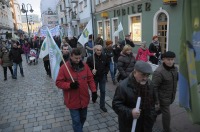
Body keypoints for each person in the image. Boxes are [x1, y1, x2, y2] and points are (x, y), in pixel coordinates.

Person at [56, 48, 97, 132]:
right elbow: (58, 83)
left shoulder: (85, 66)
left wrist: (94, 91)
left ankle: (78, 129)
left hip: (84, 99)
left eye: (80, 58)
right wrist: (69, 85)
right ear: (71, 56)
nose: (78, 60)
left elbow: (90, 79)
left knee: (83, 118)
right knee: (76, 121)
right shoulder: (64, 68)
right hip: (72, 100)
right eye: (76, 58)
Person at [112, 61, 157, 132]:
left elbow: (154, 101)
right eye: (143, 75)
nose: (145, 78)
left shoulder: (150, 84)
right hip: (129, 125)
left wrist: (153, 115)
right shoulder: (123, 86)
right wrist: (130, 112)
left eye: (147, 75)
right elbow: (116, 104)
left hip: (146, 124)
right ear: (135, 72)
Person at [152, 51, 178, 132]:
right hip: (162, 98)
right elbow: (154, 87)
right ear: (163, 59)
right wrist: (157, 101)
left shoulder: (175, 68)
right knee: (166, 114)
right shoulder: (159, 72)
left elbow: (175, 79)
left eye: (172, 59)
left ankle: (153, 115)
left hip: (171, 96)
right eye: (168, 59)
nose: (170, 62)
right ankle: (166, 130)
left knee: (159, 110)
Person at [86, 45, 109, 112]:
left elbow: (107, 65)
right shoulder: (90, 58)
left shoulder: (105, 57)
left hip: (102, 77)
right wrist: (91, 70)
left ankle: (102, 105)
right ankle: (94, 98)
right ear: (95, 50)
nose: (99, 51)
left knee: (103, 91)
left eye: (100, 50)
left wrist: (105, 72)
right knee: (94, 90)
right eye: (97, 50)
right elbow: (87, 67)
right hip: (94, 77)